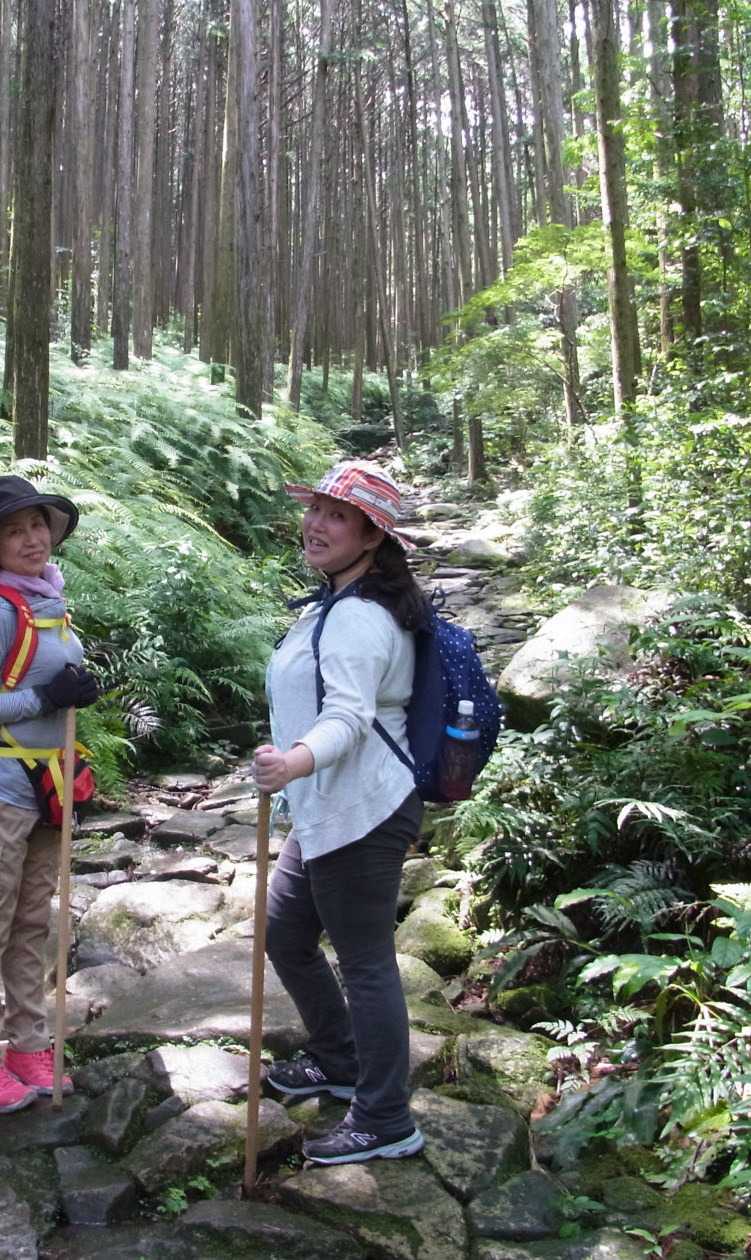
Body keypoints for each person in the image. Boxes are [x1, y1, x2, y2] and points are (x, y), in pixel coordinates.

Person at [251, 460, 428, 1165]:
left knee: (366, 964)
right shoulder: (332, 602)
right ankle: (339, 1057)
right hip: (328, 808)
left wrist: (293, 763)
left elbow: (349, 716)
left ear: (372, 537)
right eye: (316, 509)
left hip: (363, 808)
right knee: (285, 933)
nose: (317, 524)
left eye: (338, 516)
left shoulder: (357, 616)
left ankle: (385, 1118)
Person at [0, 475, 102, 1113]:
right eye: (15, 530)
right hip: (1, 786)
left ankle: (29, 1042)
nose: (33, 538)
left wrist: (72, 692)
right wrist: (45, 697)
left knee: (33, 920)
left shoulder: (48, 600)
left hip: (47, 786)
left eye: (38, 524)